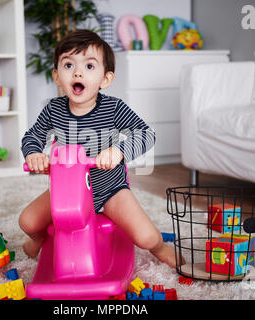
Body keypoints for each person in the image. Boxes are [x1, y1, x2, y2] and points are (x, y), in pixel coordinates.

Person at [19, 29, 184, 268]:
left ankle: (161, 248)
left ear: (105, 79)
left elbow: (146, 133)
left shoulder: (114, 108)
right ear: (57, 76)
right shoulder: (53, 109)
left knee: (145, 237)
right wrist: (34, 153)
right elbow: (32, 135)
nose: (77, 71)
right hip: (68, 191)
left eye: (89, 66)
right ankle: (42, 238)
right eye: (68, 65)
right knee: (28, 222)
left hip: (111, 190)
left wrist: (119, 150)